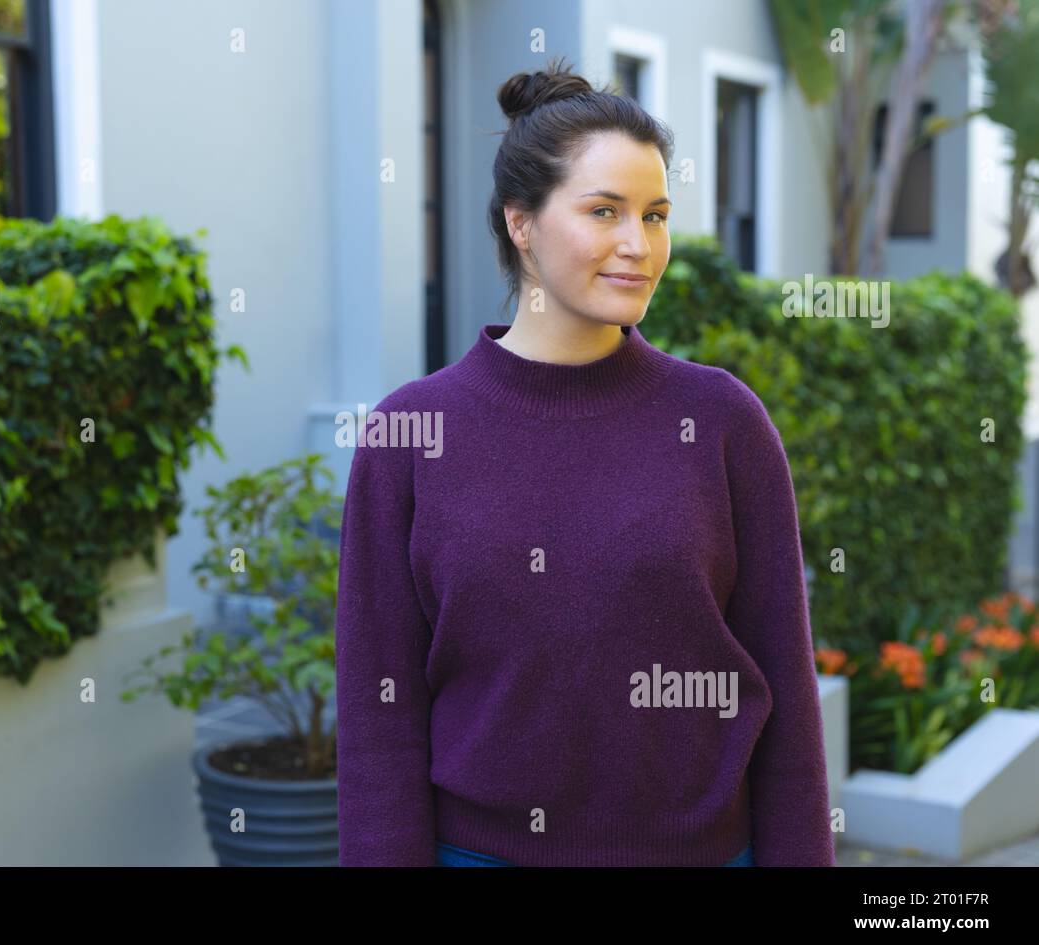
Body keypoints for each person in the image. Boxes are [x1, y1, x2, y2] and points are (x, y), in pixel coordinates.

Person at [335, 56, 834, 867]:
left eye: (656, 214)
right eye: (604, 211)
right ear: (520, 223)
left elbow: (786, 693)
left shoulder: (720, 421)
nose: (639, 245)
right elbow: (377, 714)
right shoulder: (410, 436)